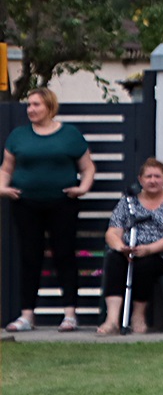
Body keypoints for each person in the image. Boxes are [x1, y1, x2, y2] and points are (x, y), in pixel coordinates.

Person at [1, 88, 95, 332]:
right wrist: (3, 187)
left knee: (64, 254)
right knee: (30, 257)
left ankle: (70, 315)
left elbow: (87, 167)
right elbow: (6, 168)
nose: (31, 109)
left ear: (49, 107)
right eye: (29, 105)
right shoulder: (18, 136)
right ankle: (26, 316)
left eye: (36, 105)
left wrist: (82, 188)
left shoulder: (70, 135)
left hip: (62, 203)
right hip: (26, 204)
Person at [98, 158, 163, 335]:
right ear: (140, 179)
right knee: (113, 260)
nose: (153, 180)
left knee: (144, 266)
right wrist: (121, 247)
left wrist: (149, 249)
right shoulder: (128, 202)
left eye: (157, 176)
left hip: (159, 254)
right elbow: (112, 232)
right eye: (148, 176)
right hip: (129, 250)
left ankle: (138, 316)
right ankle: (112, 319)